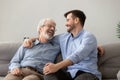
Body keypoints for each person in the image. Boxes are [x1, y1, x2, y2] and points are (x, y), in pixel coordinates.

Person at [23, 10, 102, 80]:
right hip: (69, 74)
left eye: (68, 20)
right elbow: (45, 38)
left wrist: (56, 66)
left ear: (76, 20)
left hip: (87, 73)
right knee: (48, 73)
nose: (65, 24)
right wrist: (30, 39)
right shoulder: (63, 37)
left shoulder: (88, 37)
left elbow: (78, 55)